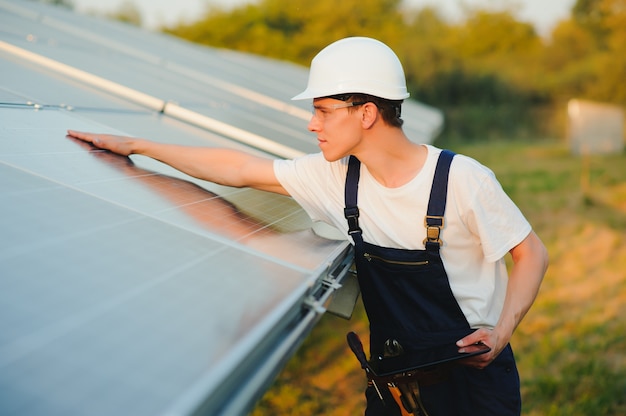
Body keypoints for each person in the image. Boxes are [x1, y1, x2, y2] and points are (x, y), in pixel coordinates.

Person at [68, 37, 548, 415]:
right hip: (394, 384)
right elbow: (237, 169)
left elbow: (531, 254)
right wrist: (137, 145)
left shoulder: (462, 179)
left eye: (322, 110)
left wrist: (502, 330)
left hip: (473, 383)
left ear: (366, 113)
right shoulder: (336, 179)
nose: (311, 124)